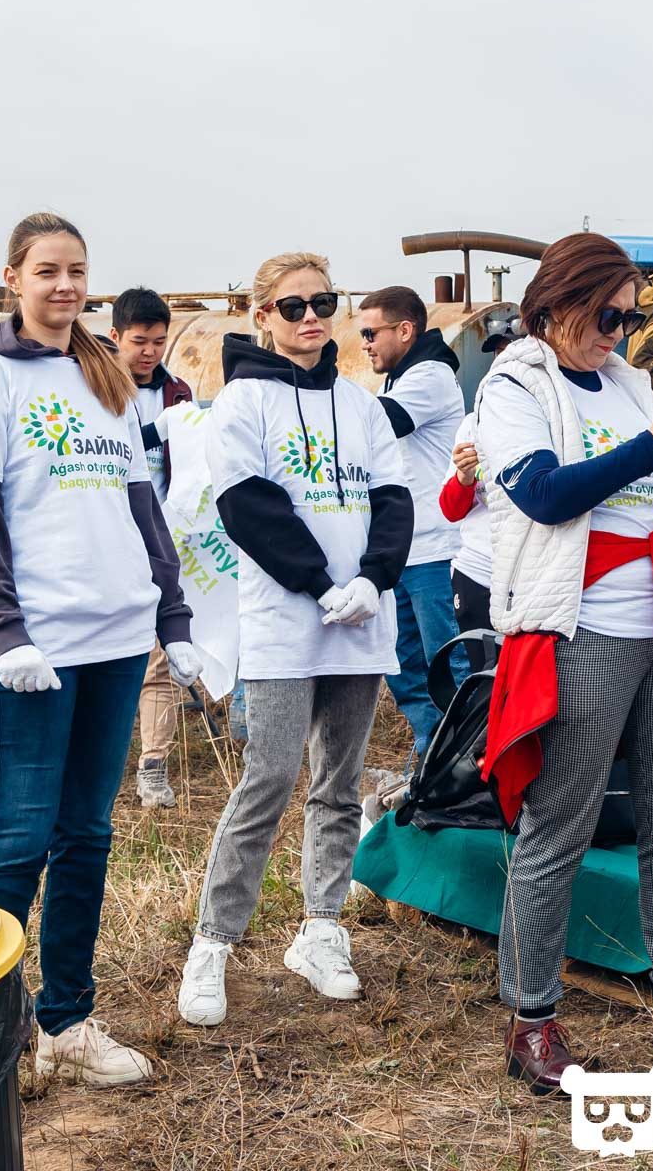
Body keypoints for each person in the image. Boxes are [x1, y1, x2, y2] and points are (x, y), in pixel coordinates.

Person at [0, 212, 202, 1087]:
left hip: (118, 636)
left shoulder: (105, 376)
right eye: (47, 270)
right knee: (18, 841)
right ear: (13, 278)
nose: (65, 285)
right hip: (37, 644)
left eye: (77, 271)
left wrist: (173, 616)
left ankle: (65, 1020)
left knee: (87, 834)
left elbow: (141, 507)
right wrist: (0, 628)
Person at [476, 232, 653, 1095]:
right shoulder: (514, 385)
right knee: (561, 821)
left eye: (627, 317)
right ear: (555, 305)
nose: (617, 333)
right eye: (604, 315)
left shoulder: (627, 383)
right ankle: (532, 1017)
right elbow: (546, 495)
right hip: (583, 624)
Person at [177, 252, 413, 1027]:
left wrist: (373, 580)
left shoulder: (362, 404)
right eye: (292, 305)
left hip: (362, 622)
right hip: (285, 623)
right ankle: (214, 943)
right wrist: (320, 585)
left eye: (323, 302)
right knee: (270, 777)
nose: (311, 316)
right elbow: (248, 508)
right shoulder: (242, 401)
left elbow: (393, 498)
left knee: (339, 784)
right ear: (262, 316)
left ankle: (320, 929)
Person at [358, 285, 464, 752]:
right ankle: (432, 755)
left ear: (405, 330)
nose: (365, 344)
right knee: (403, 666)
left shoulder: (431, 376)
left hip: (435, 549)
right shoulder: (399, 378)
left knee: (448, 664)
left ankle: (468, 761)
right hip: (403, 550)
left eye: (370, 333)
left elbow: (382, 422)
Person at [108, 287, 196, 808]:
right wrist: (148, 434)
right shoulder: (95, 386)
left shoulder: (177, 391)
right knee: (116, 653)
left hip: (161, 537)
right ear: (116, 336)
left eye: (159, 342)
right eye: (139, 341)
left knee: (160, 657)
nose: (149, 352)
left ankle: (153, 764)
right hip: (108, 538)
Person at [439, 320, 516, 633]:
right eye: (499, 353)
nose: (503, 361)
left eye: (512, 351)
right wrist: (464, 477)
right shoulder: (474, 423)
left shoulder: (558, 422)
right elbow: (451, 511)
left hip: (530, 580)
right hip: (477, 573)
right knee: (481, 663)